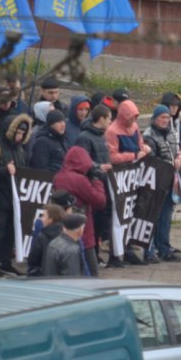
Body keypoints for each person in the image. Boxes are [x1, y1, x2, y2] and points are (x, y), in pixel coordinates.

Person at [0, 114, 33, 278]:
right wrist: (5, 170)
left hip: (14, 199)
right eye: (17, 133)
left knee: (10, 233)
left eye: (22, 134)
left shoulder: (20, 150)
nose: (19, 137)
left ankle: (5, 263)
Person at [105, 99, 154, 266]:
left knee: (130, 215)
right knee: (118, 216)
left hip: (133, 176)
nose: (133, 121)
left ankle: (127, 250)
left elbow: (140, 144)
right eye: (131, 117)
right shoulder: (112, 131)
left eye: (135, 117)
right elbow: (112, 156)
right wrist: (133, 156)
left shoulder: (133, 128)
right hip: (119, 177)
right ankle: (115, 253)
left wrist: (144, 148)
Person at [53, 146, 107, 276]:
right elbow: (100, 201)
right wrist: (96, 180)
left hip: (64, 228)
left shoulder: (58, 177)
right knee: (90, 269)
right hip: (83, 229)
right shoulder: (79, 180)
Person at [143, 105, 181, 263]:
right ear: (155, 118)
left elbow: (176, 152)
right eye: (162, 117)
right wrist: (171, 163)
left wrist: (180, 156)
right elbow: (152, 159)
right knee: (154, 217)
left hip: (169, 181)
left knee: (166, 217)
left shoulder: (171, 133)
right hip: (156, 182)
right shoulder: (149, 135)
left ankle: (164, 248)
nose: (166, 120)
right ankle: (151, 249)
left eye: (168, 118)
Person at [76, 104, 115, 268]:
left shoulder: (101, 136)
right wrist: (97, 167)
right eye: (109, 119)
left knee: (101, 221)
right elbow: (83, 160)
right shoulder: (85, 137)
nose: (111, 122)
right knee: (94, 222)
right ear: (101, 119)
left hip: (103, 183)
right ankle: (93, 255)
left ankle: (97, 253)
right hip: (93, 184)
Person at [27, 204, 65, 277]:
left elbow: (33, 260)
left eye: (44, 216)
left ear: (51, 219)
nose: (41, 219)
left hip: (44, 278)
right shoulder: (68, 235)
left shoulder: (42, 236)